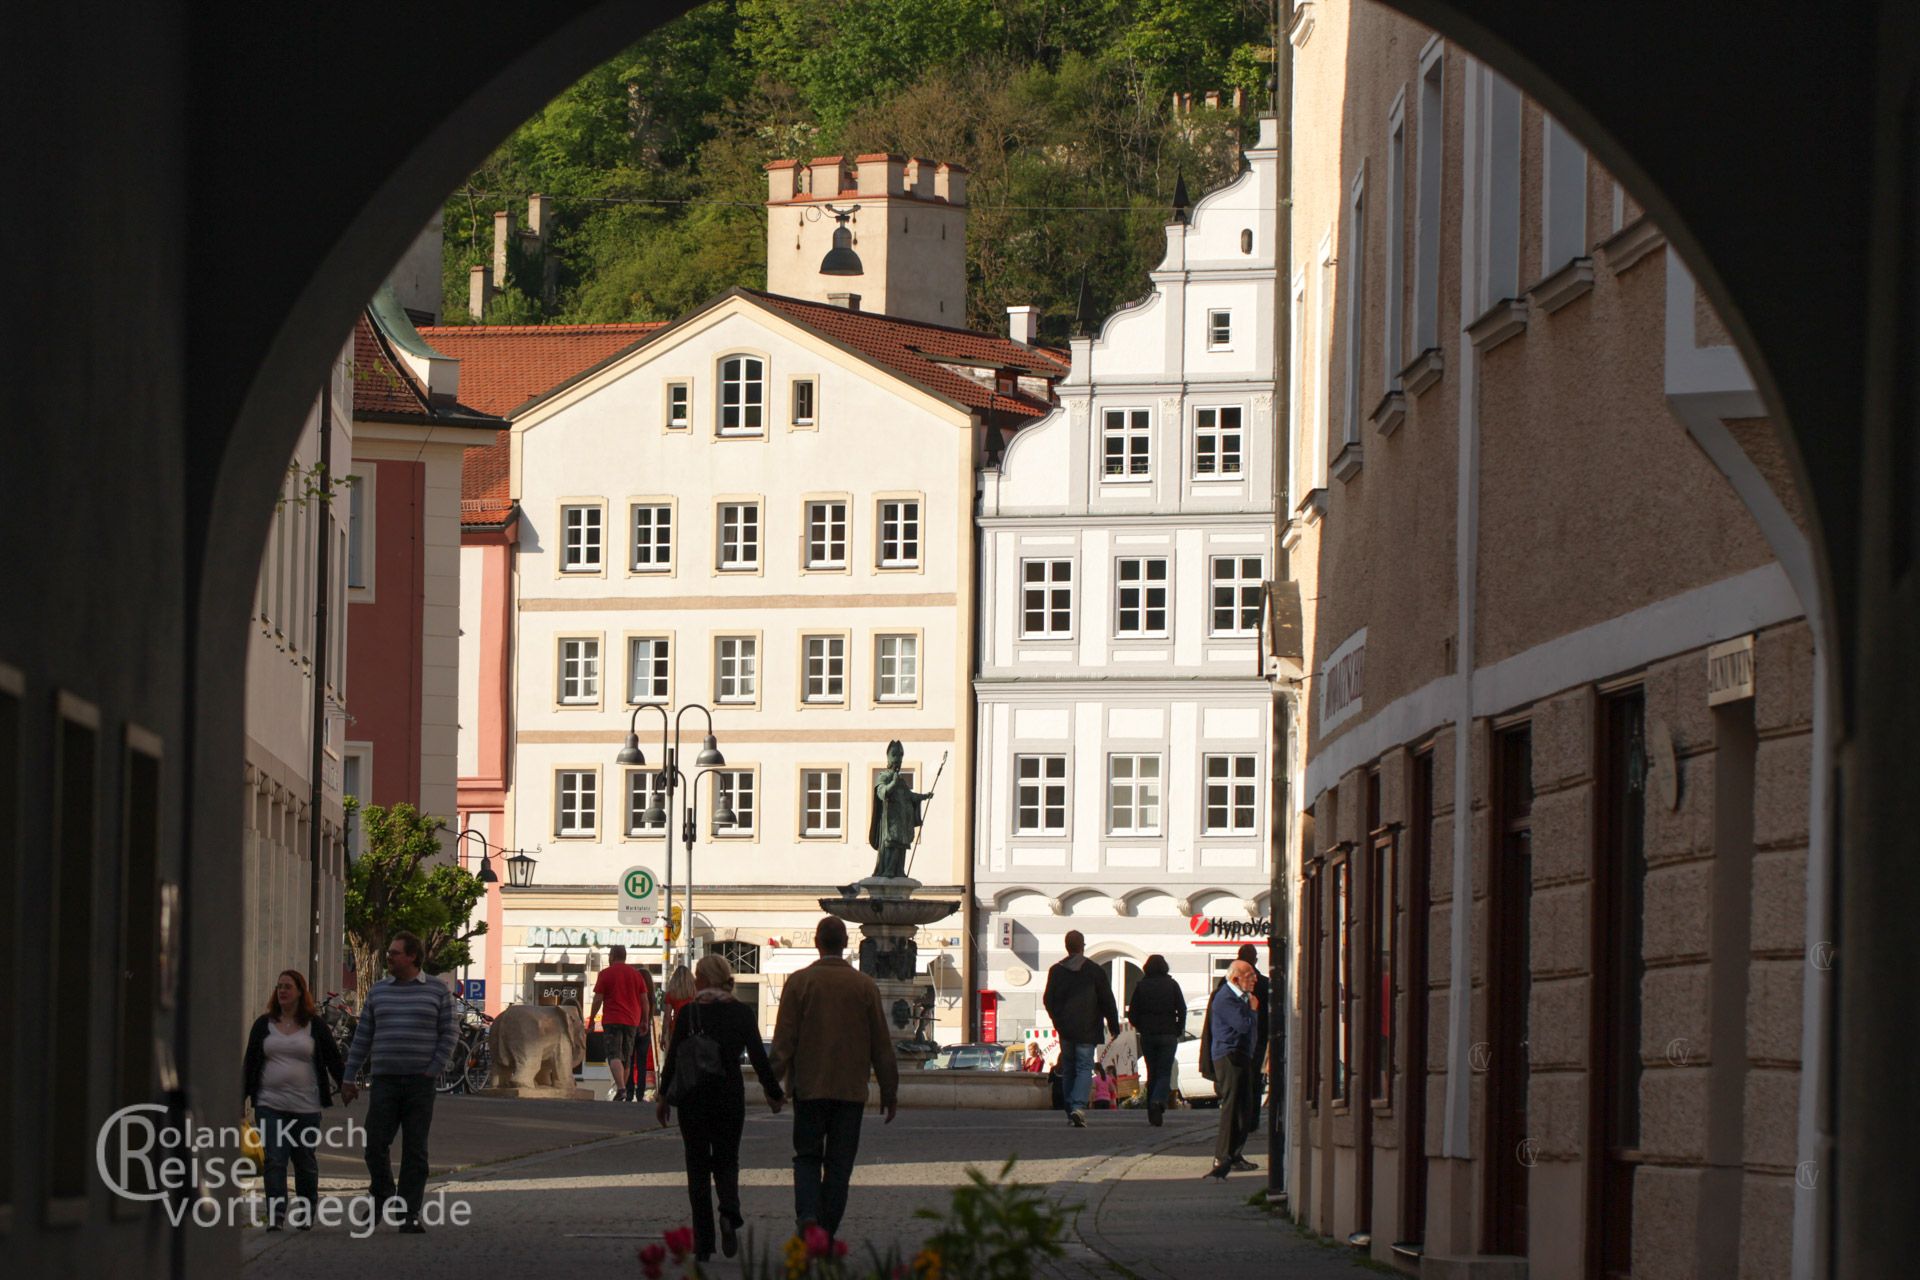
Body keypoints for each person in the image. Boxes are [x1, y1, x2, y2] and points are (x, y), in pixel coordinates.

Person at [769, 916, 899, 1242]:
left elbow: (784, 1039)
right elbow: (881, 1044)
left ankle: (808, 1214)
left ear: (817, 942)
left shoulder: (799, 983)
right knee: (840, 1166)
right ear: (845, 944)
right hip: (850, 1090)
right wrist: (889, 1089)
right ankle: (825, 1234)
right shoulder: (864, 986)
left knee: (807, 1157)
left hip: (809, 1087)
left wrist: (774, 1085)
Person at [655, 954, 783, 1262]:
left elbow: (673, 1058)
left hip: (693, 1098)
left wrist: (663, 1097)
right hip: (728, 1095)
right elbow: (758, 1056)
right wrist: (774, 1092)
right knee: (727, 1159)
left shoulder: (689, 1014)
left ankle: (703, 1242)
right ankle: (729, 1211)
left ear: (702, 979)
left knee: (697, 1167)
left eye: (698, 975)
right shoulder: (740, 1013)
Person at [339, 931, 457, 1232]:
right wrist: (349, 1076)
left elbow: (449, 1033)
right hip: (385, 1080)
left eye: (394, 953)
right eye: (390, 953)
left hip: (420, 1081)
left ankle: (408, 1213)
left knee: (415, 1149)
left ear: (412, 957)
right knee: (374, 1143)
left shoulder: (436, 991)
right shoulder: (379, 991)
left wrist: (433, 1068)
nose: (389, 957)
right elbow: (363, 1036)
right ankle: (383, 1192)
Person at [242, 968, 346, 1230]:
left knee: (304, 1161)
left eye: (288, 986)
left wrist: (346, 1084)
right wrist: (239, 1100)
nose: (282, 991)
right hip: (269, 1104)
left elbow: (333, 1058)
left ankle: (306, 1209)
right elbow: (250, 1063)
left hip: (305, 1106)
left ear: (300, 992)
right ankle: (276, 1215)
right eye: (279, 987)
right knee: (274, 1159)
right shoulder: (263, 1025)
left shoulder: (315, 1025)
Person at [1041, 930, 1120, 1127]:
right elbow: (1107, 1000)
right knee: (1084, 1066)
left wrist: (1057, 1020)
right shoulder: (1095, 970)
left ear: (1066, 947)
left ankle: (1070, 1110)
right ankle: (1077, 1106)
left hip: (1066, 1030)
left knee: (1068, 1068)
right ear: (1082, 946)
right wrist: (1113, 1025)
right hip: (1088, 1028)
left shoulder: (1056, 971)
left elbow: (1048, 1000)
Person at [1201, 961, 1260, 1180]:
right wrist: (1253, 1011)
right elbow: (1243, 1026)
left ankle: (1235, 1155)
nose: (1254, 979)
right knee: (1232, 1106)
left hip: (1242, 1056)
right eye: (1250, 975)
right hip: (1229, 1057)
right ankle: (1222, 1156)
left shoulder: (1240, 997)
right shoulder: (1225, 997)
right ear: (1236, 978)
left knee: (1244, 1108)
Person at [1126, 953, 1187, 1127]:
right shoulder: (1172, 985)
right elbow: (1182, 1009)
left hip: (1148, 1035)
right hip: (1168, 1033)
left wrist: (1141, 1026)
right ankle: (1157, 1100)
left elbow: (1132, 1014)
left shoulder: (1141, 986)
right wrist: (1178, 1028)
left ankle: (1153, 1113)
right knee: (1164, 1071)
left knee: (1152, 1071)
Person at [590, 944, 653, 1102]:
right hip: (632, 1021)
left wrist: (591, 1019)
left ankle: (621, 1088)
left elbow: (598, 999)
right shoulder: (635, 974)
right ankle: (622, 1091)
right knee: (626, 1056)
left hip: (613, 1019)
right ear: (625, 956)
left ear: (611, 956)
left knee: (614, 1055)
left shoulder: (605, 974)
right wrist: (645, 1020)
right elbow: (644, 1000)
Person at [867, 739, 932, 879]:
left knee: (902, 845)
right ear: (889, 758)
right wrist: (893, 784)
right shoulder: (883, 776)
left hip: (902, 820)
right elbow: (882, 792)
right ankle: (888, 870)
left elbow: (909, 796)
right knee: (892, 844)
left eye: (900, 757)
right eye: (895, 756)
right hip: (890, 822)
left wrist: (923, 796)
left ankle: (899, 870)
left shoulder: (901, 780)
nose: (898, 761)